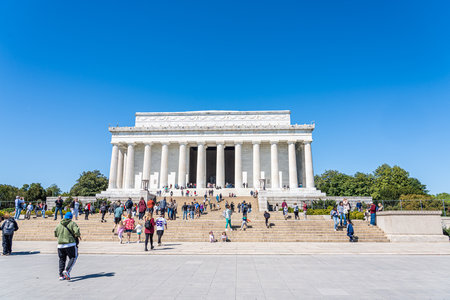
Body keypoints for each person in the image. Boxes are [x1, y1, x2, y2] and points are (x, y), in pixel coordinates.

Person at [54, 212, 81, 281]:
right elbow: (76, 232)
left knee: (62, 259)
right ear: (71, 217)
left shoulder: (59, 224)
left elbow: (55, 233)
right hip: (70, 244)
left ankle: (61, 275)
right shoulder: (72, 223)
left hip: (60, 245)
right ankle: (67, 270)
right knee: (73, 257)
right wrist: (77, 235)